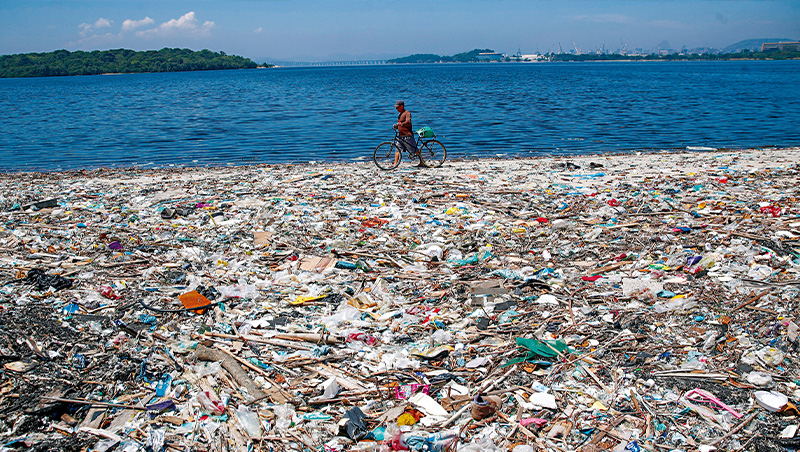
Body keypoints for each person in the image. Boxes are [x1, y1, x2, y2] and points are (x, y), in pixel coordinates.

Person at [392, 100, 420, 165]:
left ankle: (422, 161)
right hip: (400, 136)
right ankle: (395, 164)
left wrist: (402, 124)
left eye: (397, 107)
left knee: (414, 150)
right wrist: (396, 126)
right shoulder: (400, 114)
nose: (396, 109)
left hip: (407, 135)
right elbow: (399, 123)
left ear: (402, 106)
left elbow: (408, 121)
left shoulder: (407, 113)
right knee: (397, 149)